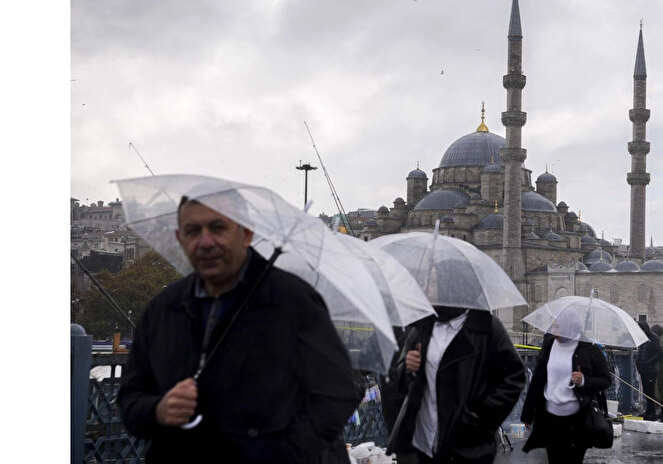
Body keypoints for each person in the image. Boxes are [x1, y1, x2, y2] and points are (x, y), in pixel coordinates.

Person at [118, 197, 362, 463]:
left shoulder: (292, 301)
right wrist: (157, 410)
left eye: (218, 227)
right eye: (193, 231)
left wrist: (285, 453)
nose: (206, 241)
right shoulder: (163, 309)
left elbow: (338, 391)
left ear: (246, 233)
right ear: (180, 238)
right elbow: (131, 398)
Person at [386, 260, 526, 464]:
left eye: (433, 282)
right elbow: (401, 377)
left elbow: (514, 377)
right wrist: (408, 368)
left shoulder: (485, 327)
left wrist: (482, 415)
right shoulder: (423, 325)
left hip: (466, 444)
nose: (427, 289)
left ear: (450, 286)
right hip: (424, 441)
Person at [520, 311, 612, 463]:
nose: (554, 331)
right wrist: (528, 412)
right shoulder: (549, 343)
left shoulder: (589, 349)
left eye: (558, 327)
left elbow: (605, 380)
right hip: (550, 419)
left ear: (571, 328)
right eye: (553, 326)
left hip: (577, 421)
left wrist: (584, 381)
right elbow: (538, 379)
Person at [635, 321, 662, 421]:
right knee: (646, 392)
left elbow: (660, 352)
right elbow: (641, 351)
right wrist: (638, 362)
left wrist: (648, 362)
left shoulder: (653, 338)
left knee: (650, 392)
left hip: (651, 370)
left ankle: (652, 413)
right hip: (643, 369)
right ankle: (649, 411)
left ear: (645, 329)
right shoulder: (642, 338)